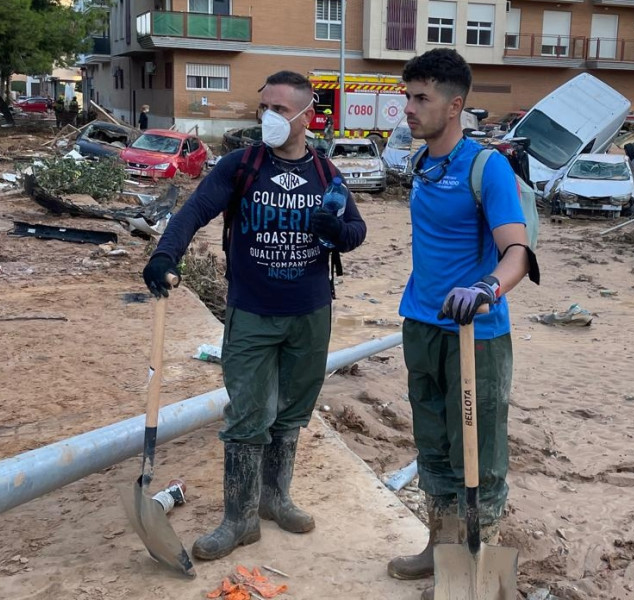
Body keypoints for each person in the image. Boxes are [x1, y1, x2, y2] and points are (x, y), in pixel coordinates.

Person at [142, 70, 367, 561]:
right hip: (251, 314)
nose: (268, 117)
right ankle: (238, 519)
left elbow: (355, 231)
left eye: (280, 110)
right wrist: (165, 255)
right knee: (247, 416)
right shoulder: (240, 166)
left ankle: (275, 498)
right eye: (263, 107)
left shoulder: (328, 174)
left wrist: (337, 228)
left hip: (310, 313)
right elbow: (194, 210)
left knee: (290, 415)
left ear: (307, 117)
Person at [387, 48, 535, 599]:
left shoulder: (487, 167)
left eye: (421, 97)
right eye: (407, 95)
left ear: (455, 105)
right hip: (421, 325)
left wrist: (486, 289)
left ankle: (476, 566)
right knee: (432, 445)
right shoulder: (421, 162)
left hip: (475, 334)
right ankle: (439, 549)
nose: (409, 107)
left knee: (481, 452)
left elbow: (517, 251)